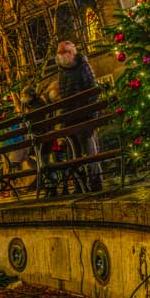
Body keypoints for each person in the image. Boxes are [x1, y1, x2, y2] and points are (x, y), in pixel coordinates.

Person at [55, 40, 102, 191]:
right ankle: (79, 184)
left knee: (90, 150)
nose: (63, 55)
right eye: (60, 52)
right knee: (73, 153)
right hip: (70, 119)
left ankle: (95, 181)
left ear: (73, 52)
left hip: (85, 116)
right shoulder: (62, 71)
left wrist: (91, 113)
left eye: (65, 52)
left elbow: (92, 90)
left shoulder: (83, 66)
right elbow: (63, 97)